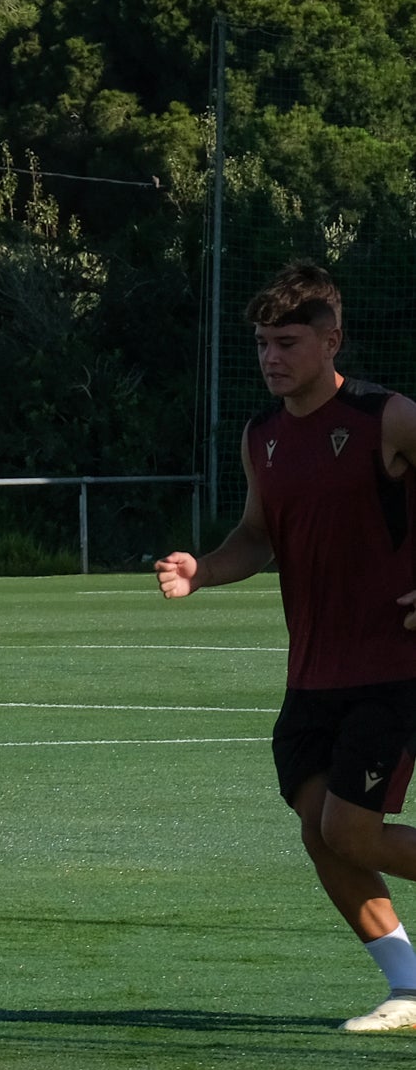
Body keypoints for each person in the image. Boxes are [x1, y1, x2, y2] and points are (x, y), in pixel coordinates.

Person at [157, 260, 416, 1030]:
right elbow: (256, 537)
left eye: (288, 342)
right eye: (263, 344)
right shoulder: (260, 436)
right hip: (311, 675)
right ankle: (407, 984)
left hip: (393, 667)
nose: (271, 358)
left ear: (331, 340)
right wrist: (202, 570)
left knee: (350, 828)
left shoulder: (387, 416)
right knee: (318, 829)